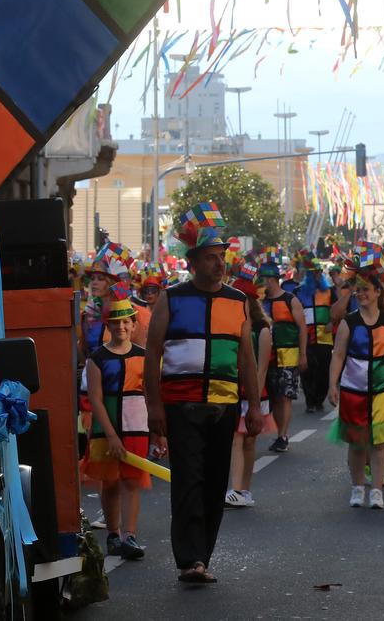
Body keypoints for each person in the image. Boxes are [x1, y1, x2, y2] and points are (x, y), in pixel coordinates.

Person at [144, 202, 261, 585]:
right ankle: (190, 560)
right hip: (181, 406)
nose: (219, 264)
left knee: (213, 484)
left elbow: (247, 359)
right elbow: (153, 354)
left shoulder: (238, 301)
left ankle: (201, 556)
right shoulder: (171, 298)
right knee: (188, 481)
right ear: (193, 263)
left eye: (221, 257)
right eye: (211, 258)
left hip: (224, 406)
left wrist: (255, 407)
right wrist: (154, 407)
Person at [328, 258, 384, 510]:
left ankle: (376, 490)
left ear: (379, 292)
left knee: (380, 443)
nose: (360, 293)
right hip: (353, 390)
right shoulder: (349, 322)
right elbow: (338, 355)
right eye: (358, 289)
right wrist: (333, 384)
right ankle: (357, 487)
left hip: (383, 389)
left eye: (366, 289)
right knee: (357, 443)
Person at [81, 297, 150, 559]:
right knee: (109, 482)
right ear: (108, 325)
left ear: (133, 325)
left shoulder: (144, 357)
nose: (121, 326)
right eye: (116, 322)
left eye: (126, 322)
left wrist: (158, 434)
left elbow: (151, 396)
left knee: (132, 481)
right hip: (104, 429)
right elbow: (96, 399)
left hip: (137, 427)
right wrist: (110, 435)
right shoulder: (96, 358)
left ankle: (129, 536)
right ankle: (113, 534)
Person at [226, 294, 273, 508]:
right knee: (236, 437)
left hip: (254, 392)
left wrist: (254, 397)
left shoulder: (262, 330)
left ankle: (245, 488)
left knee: (250, 440)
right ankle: (235, 489)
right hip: (234, 390)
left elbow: (262, 367)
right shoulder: (231, 326)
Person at [260, 261, 306, 450]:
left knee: (285, 395)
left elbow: (302, 328)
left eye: (263, 279)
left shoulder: (290, 299)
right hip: (267, 355)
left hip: (288, 354)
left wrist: (303, 354)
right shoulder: (261, 301)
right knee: (275, 397)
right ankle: (280, 433)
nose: (262, 283)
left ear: (271, 280)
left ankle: (283, 435)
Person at [296, 253, 335, 413]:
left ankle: (319, 399)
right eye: (315, 273)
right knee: (308, 370)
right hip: (307, 337)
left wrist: (332, 323)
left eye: (320, 272)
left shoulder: (329, 292)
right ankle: (310, 401)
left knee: (324, 370)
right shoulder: (299, 292)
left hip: (325, 338)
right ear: (310, 274)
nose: (318, 275)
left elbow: (337, 311)